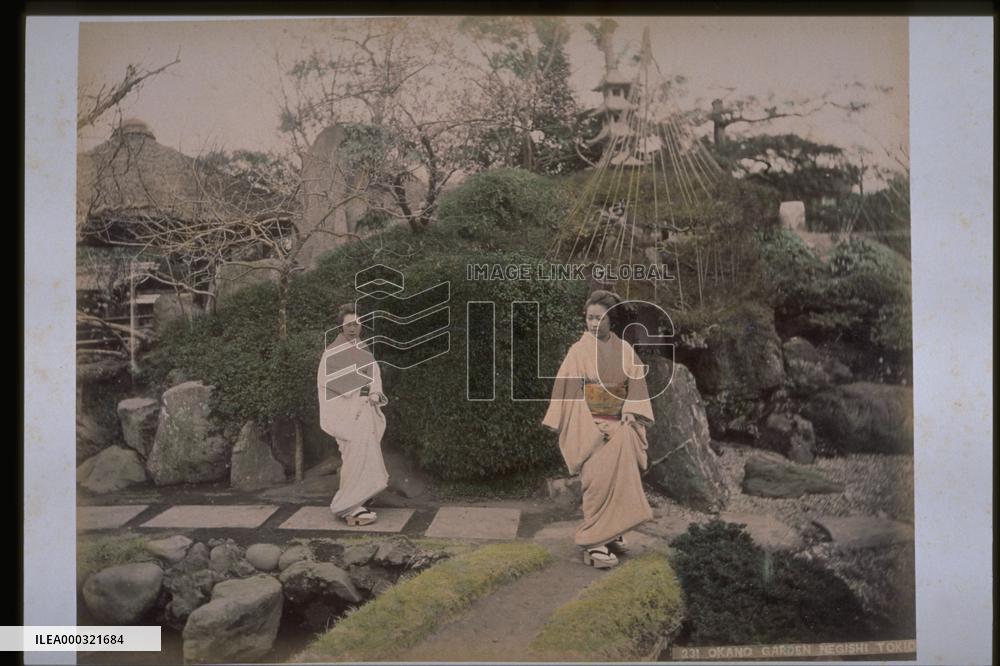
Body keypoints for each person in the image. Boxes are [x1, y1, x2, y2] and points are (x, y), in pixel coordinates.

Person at [542, 290, 655, 568]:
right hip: (591, 428)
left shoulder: (624, 350)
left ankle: (611, 533)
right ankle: (593, 543)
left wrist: (630, 413)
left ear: (611, 320)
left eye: (599, 318)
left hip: (620, 425)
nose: (593, 323)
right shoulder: (577, 351)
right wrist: (590, 427)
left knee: (620, 483)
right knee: (596, 484)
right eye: (590, 318)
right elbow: (568, 391)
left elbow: (637, 383)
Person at [317, 304, 389, 526]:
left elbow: (373, 375)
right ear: (341, 325)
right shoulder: (332, 352)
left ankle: (359, 501)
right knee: (353, 457)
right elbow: (329, 383)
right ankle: (348, 506)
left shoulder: (364, 349)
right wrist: (360, 390)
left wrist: (374, 393)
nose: (352, 328)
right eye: (348, 324)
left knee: (367, 454)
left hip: (364, 410)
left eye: (356, 323)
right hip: (345, 414)